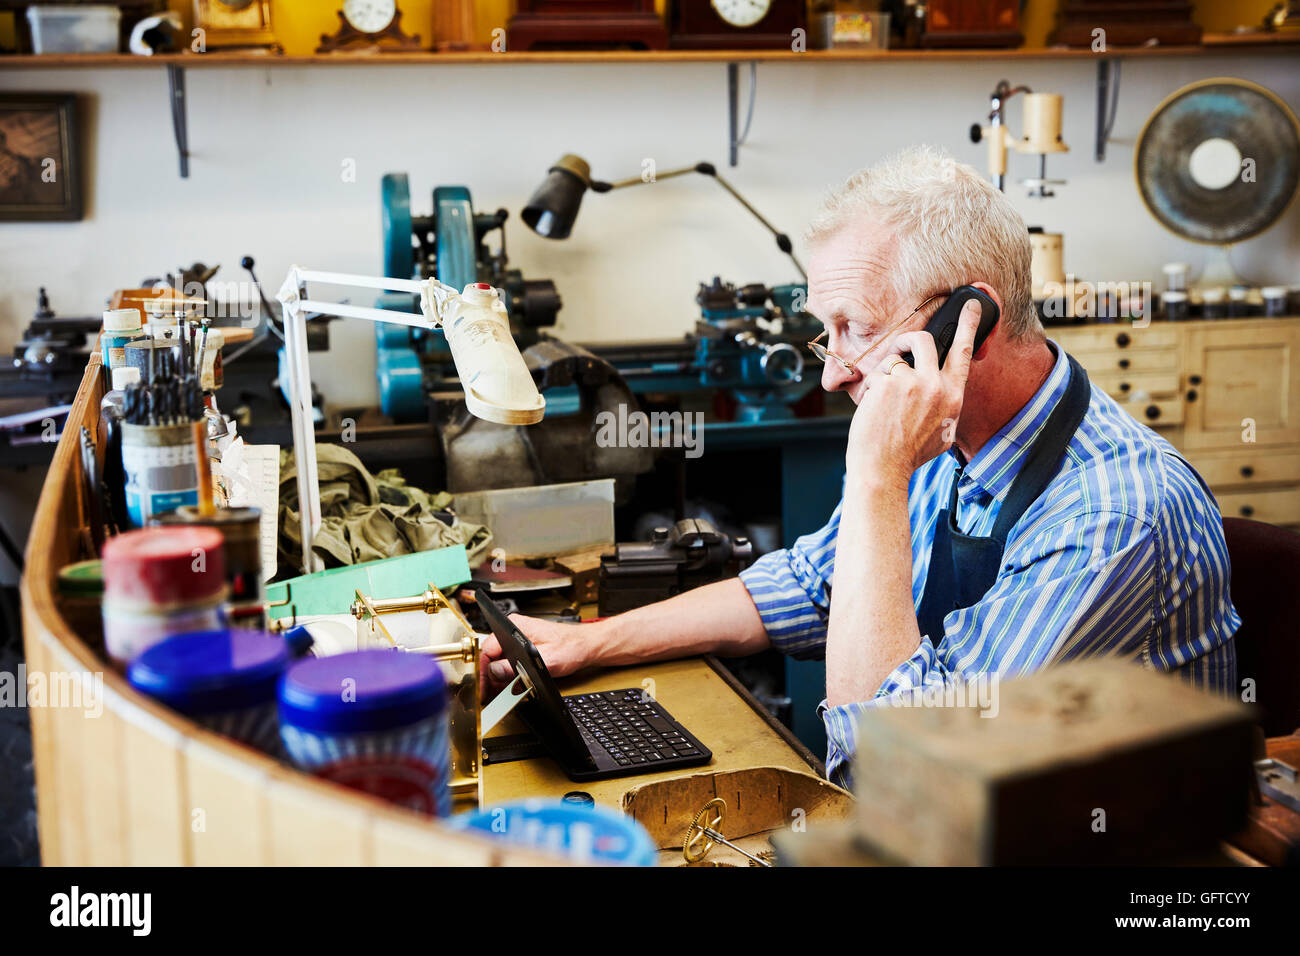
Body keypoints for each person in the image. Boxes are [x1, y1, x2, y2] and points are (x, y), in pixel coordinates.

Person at [482, 145, 1239, 789]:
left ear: (967, 321)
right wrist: (590, 640)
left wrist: (876, 476)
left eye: (858, 330)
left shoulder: (1112, 514)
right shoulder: (951, 439)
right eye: (826, 333)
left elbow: (890, 770)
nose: (833, 374)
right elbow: (812, 584)